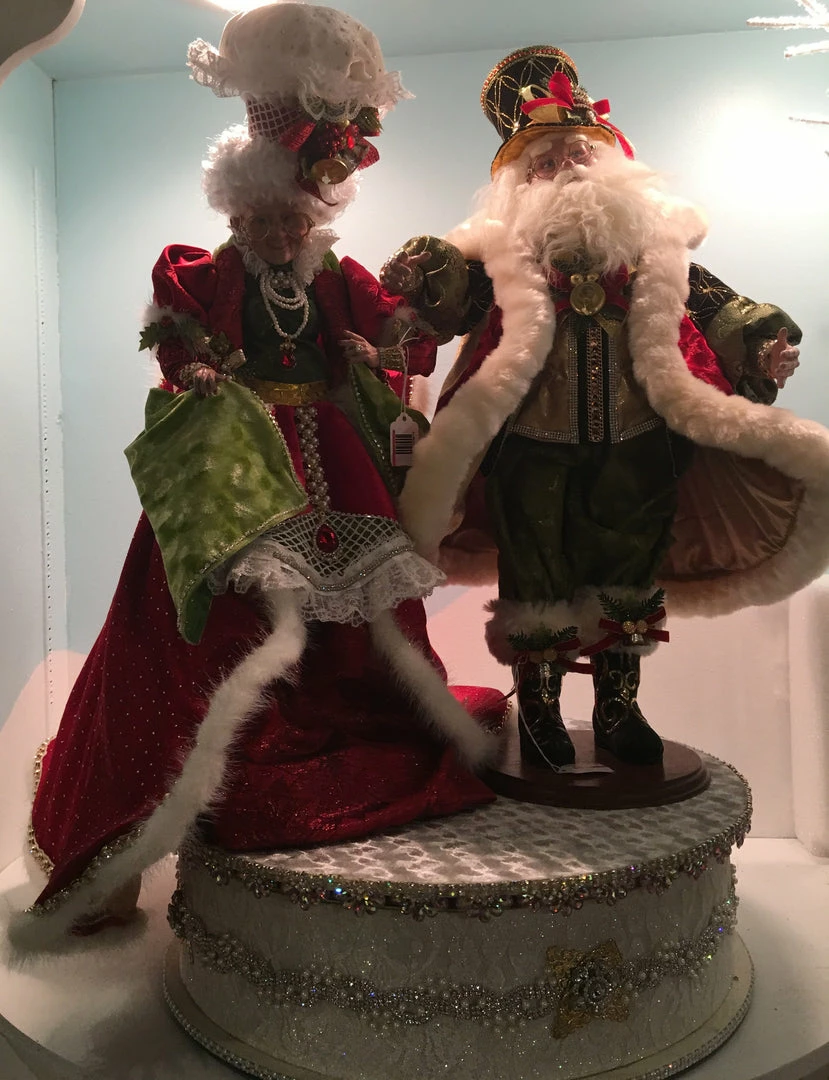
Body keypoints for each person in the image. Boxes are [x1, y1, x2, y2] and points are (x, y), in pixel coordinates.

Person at [15, 3, 502, 953]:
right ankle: (188, 791)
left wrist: (376, 348)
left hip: (332, 450)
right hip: (242, 459)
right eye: (265, 221)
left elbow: (389, 337)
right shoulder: (205, 275)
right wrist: (196, 368)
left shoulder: (336, 276)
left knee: (361, 607)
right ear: (239, 215)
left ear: (311, 218)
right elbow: (176, 338)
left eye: (292, 220)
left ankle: (352, 719)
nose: (281, 234)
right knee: (220, 618)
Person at [381, 46, 829, 772]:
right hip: (531, 443)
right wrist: (423, 273)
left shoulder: (654, 246)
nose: (567, 169)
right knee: (536, 575)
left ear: (606, 157)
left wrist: (761, 341)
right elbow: (449, 299)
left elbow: (715, 306)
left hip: (638, 439)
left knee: (628, 572)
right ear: (524, 180)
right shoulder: (505, 255)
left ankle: (618, 709)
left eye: (577, 153)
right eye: (547, 160)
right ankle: (540, 711)